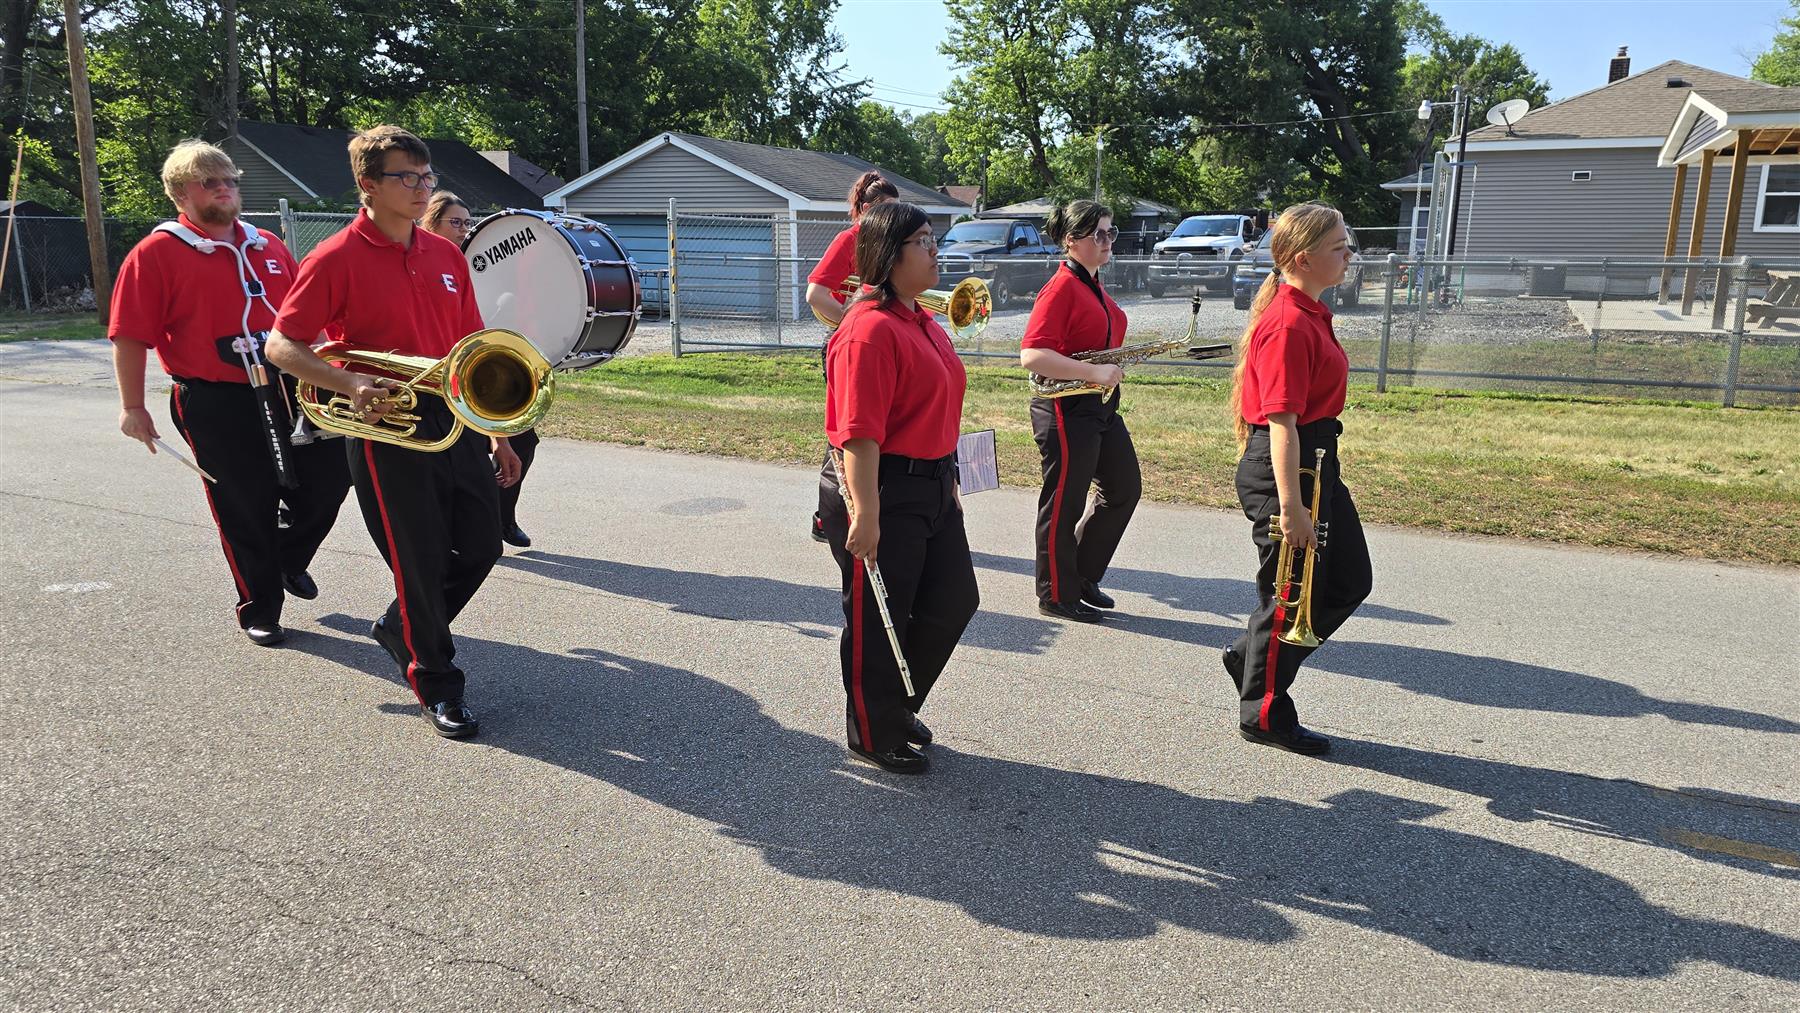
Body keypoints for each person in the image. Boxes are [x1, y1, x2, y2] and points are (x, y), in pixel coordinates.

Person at [265, 126, 521, 740]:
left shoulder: (445, 254)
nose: (421, 188)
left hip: (453, 414)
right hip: (385, 423)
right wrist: (347, 383)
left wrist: (499, 431)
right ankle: (437, 680)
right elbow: (281, 344)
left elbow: (471, 346)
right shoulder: (333, 258)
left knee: (483, 544)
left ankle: (401, 628)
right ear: (367, 186)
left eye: (425, 177)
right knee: (419, 559)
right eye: (407, 178)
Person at [109, 139, 350, 647]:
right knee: (245, 503)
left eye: (230, 181)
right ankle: (260, 604)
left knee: (331, 478)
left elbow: (304, 319)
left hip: (289, 388)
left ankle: (287, 557)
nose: (224, 190)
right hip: (217, 398)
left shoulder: (267, 244)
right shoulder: (155, 254)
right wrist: (133, 407)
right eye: (210, 183)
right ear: (180, 194)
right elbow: (130, 334)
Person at [820, 201, 979, 775]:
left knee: (954, 601)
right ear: (889, 256)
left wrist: (953, 478)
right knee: (879, 618)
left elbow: (941, 409)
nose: (936, 251)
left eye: (935, 239)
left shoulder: (922, 320)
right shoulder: (867, 330)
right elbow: (859, 435)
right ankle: (873, 729)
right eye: (923, 242)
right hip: (884, 488)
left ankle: (896, 701)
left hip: (934, 485)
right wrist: (867, 514)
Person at [1222, 202, 1373, 756]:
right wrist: (1292, 509)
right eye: (1340, 246)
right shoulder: (1287, 323)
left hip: (1317, 460)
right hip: (1288, 466)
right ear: (1304, 258)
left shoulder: (1308, 309)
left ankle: (1249, 656)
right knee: (1287, 595)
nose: (1348, 254)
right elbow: (1281, 424)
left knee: (1350, 578)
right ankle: (1263, 711)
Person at [1019, 200, 1139, 623]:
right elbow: (1032, 355)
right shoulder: (1061, 287)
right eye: (1099, 235)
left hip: (1099, 406)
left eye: (1111, 233)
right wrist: (1093, 370)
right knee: (1063, 504)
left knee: (1124, 489)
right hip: (1066, 409)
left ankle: (1082, 576)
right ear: (1071, 241)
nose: (1108, 242)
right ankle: (1055, 592)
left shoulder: (1092, 282)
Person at [422, 191, 536, 549]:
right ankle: (471, 531)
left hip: (473, 369)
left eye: (467, 223)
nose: (463, 230)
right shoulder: (423, 262)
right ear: (430, 222)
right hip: (433, 384)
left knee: (523, 439)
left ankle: (503, 518)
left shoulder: (463, 263)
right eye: (455, 222)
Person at [804, 170, 899, 543]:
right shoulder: (852, 238)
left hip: (880, 341)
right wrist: (852, 321)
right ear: (865, 209)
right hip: (849, 341)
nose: (892, 217)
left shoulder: (889, 243)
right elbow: (816, 294)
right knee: (847, 433)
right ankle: (827, 515)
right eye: (885, 209)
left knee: (871, 430)